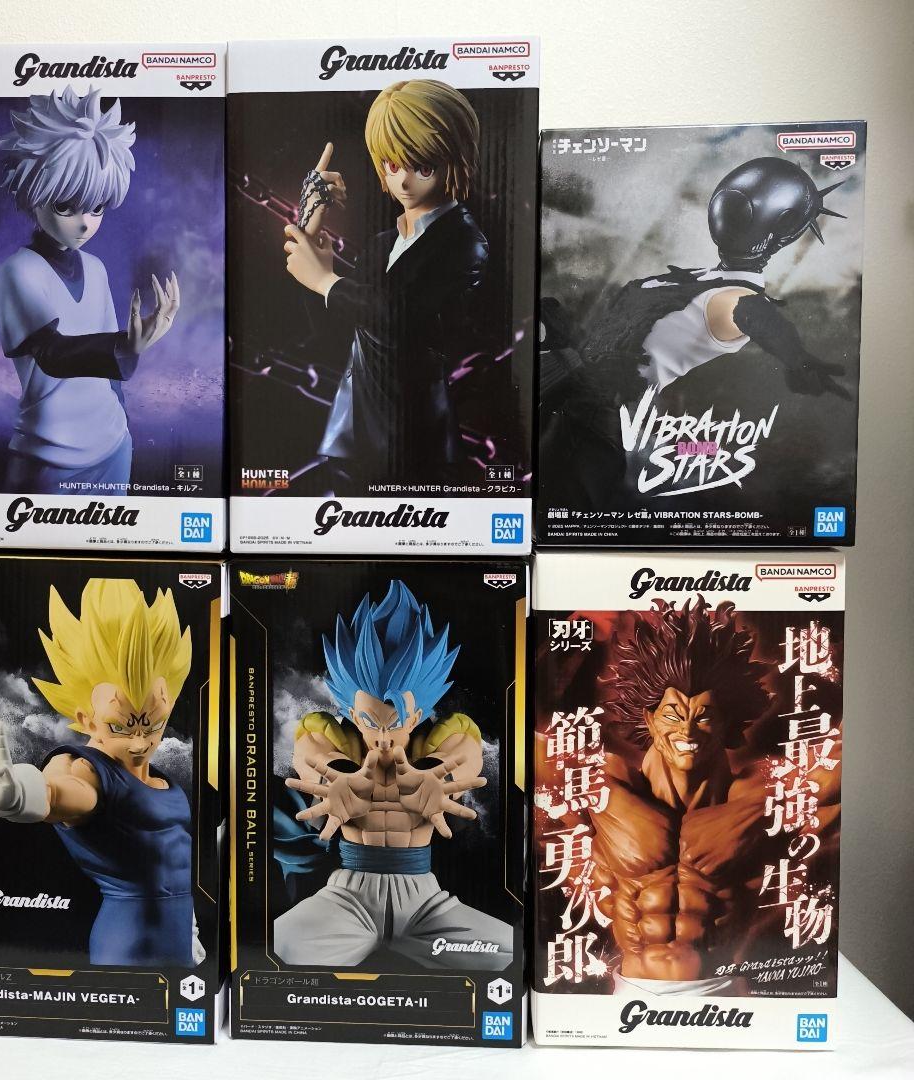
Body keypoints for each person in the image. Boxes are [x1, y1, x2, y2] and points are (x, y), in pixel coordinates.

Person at [557, 597, 839, 995]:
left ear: (726, 722)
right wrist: (572, 635)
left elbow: (838, 764)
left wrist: (827, 638)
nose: (687, 732)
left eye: (704, 716)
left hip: (720, 989)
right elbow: (529, 743)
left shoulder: (757, 795)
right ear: (649, 720)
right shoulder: (607, 785)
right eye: (673, 715)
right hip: (633, 991)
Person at [539, 157, 849, 508]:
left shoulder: (733, 298)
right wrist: (567, 337)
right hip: (566, 395)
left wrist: (796, 358)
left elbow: (753, 314)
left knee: (554, 508)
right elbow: (619, 343)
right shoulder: (699, 280)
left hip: (591, 425)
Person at [0, 578, 203, 967]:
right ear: (86, 719)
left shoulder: (160, 777)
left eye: (154, 724)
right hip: (130, 944)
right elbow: (62, 792)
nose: (140, 741)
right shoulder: (88, 770)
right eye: (121, 726)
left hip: (181, 942)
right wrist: (18, 796)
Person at [276, 580, 512, 970]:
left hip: (426, 903)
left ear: (416, 716)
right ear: (353, 714)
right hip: (348, 898)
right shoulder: (333, 738)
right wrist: (335, 781)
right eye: (371, 721)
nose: (383, 737)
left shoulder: (439, 740)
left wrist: (437, 780)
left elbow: (464, 749)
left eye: (397, 722)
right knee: (282, 945)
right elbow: (312, 749)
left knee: (505, 953)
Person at [282, 80, 488, 487]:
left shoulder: (465, 242)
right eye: (393, 166)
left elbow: (400, 318)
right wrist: (311, 227)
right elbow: (336, 328)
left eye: (423, 167)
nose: (404, 181)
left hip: (413, 442)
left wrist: (326, 280)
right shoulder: (382, 245)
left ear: (455, 159)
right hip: (352, 431)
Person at [0, 86, 179, 495]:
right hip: (47, 456)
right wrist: (125, 345)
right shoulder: (19, 272)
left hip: (113, 446)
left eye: (96, 208)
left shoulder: (95, 269)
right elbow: (53, 354)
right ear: (34, 194)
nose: (84, 222)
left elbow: (112, 375)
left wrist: (130, 352)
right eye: (66, 206)